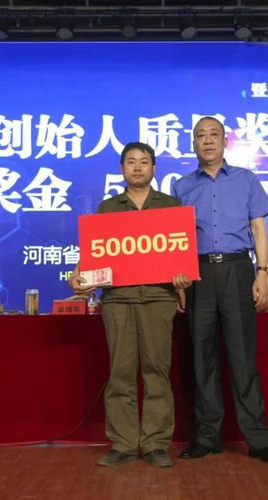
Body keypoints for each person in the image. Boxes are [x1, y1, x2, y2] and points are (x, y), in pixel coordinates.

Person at [172, 116, 268, 465]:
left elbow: (258, 228)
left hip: (238, 270)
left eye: (214, 135)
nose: (207, 141)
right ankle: (207, 437)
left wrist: (262, 272)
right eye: (200, 136)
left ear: (225, 142)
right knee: (203, 359)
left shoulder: (246, 179)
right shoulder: (181, 186)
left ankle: (259, 440)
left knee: (242, 357)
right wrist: (178, 281)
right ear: (193, 144)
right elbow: (177, 238)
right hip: (198, 275)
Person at [69, 142, 187, 468]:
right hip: (118, 299)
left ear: (154, 169)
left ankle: (155, 443)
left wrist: (183, 277)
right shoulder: (107, 208)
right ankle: (122, 443)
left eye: (144, 162)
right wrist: (79, 275)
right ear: (122, 169)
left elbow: (181, 253)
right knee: (120, 373)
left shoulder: (170, 206)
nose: (137, 167)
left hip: (158, 298)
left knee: (156, 371)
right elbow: (94, 252)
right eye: (131, 162)